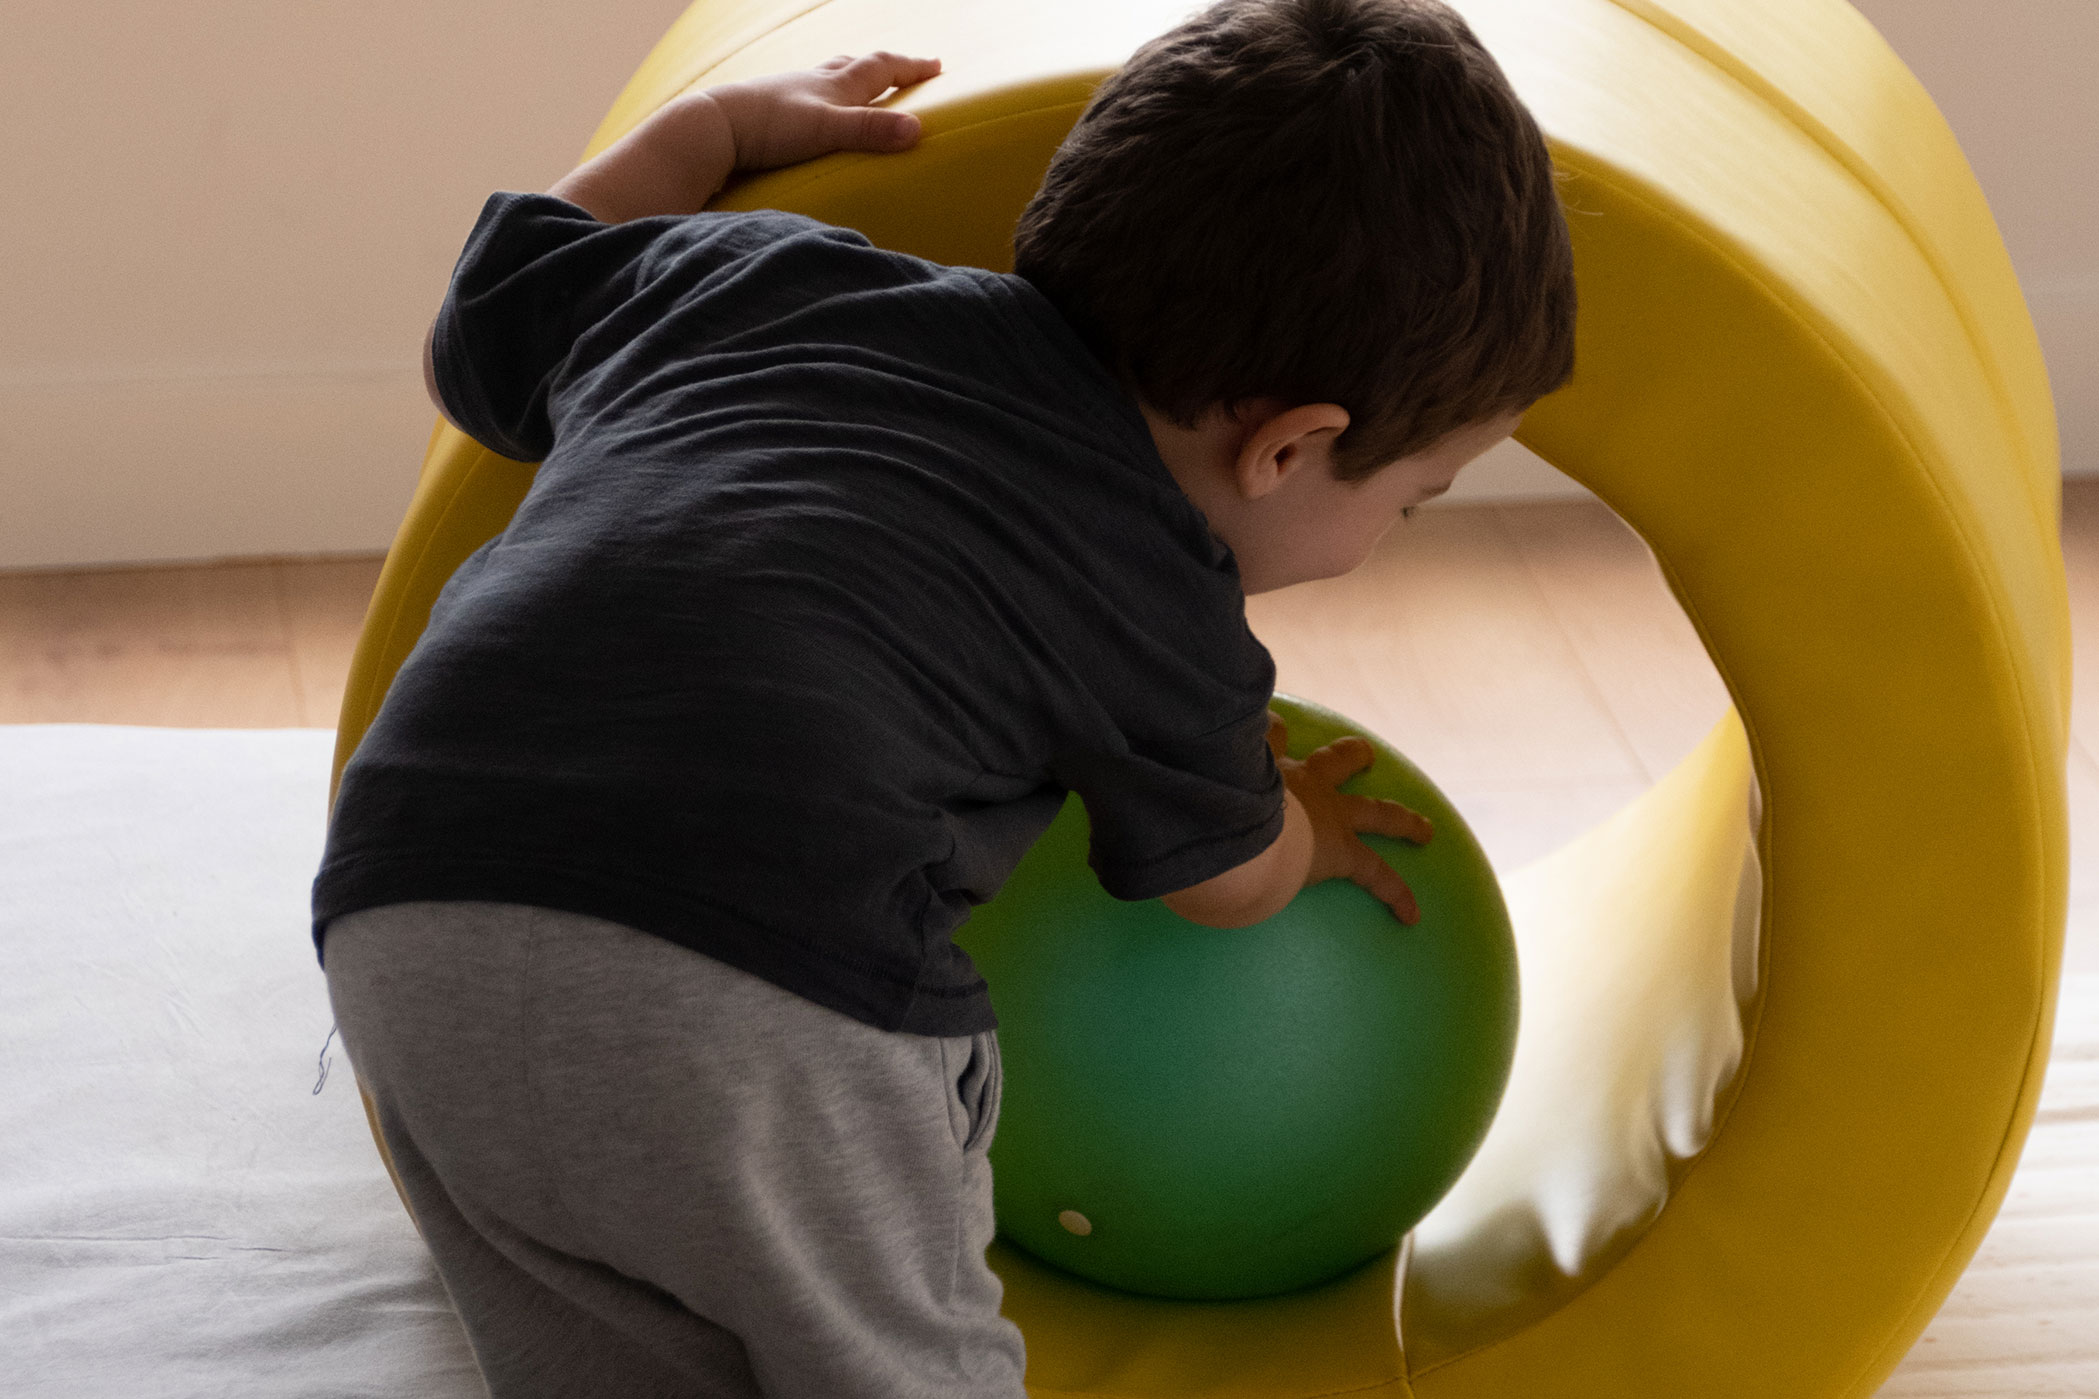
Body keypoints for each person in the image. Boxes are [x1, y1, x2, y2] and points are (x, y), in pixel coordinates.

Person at [314, 0, 1575, 1393]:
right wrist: (1312, 835)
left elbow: (483, 315)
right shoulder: (1157, 587)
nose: (1398, 530)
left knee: (613, 1343)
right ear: (1291, 447)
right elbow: (1227, 879)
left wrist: (712, 131)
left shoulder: (753, 277)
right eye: (1414, 498)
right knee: (901, 1359)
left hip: (409, 894)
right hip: (756, 990)